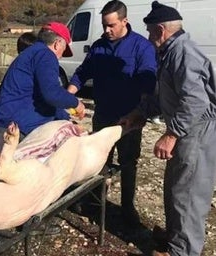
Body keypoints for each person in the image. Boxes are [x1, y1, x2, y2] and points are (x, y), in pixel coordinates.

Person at [120, 1, 216, 255]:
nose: (150, 39)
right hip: (186, 129)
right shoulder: (170, 52)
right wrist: (138, 113)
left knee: (188, 195)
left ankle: (182, 251)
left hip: (196, 131)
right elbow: (165, 95)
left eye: (151, 33)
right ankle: (175, 239)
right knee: (175, 188)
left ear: (160, 30)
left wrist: (171, 134)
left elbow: (195, 101)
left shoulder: (183, 53)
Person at [66, 0, 157, 225]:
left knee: (128, 162)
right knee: (98, 160)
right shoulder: (98, 46)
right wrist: (69, 92)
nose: (107, 30)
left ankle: (127, 207)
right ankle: (95, 202)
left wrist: (141, 112)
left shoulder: (141, 47)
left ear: (124, 21)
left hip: (129, 117)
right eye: (104, 25)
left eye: (112, 25)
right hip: (103, 115)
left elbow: (148, 80)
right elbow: (82, 71)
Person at [0, 22, 85, 152]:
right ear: (57, 44)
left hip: (0, 125)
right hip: (10, 130)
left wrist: (64, 117)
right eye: (63, 49)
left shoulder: (32, 53)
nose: (61, 56)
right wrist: (76, 103)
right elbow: (52, 93)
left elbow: (43, 97)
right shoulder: (46, 55)